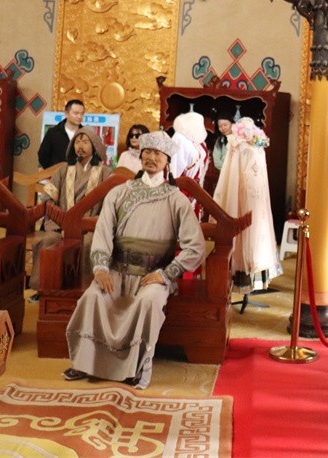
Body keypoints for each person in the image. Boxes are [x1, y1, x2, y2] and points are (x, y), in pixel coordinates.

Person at [62, 131, 205, 390]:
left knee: (147, 302)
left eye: (157, 154)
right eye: (147, 152)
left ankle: (135, 368)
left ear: (167, 160)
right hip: (117, 269)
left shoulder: (177, 200)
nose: (151, 158)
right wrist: (101, 268)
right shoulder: (119, 193)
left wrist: (167, 274)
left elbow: (195, 246)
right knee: (93, 297)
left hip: (153, 275)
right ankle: (84, 363)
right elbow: (103, 232)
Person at [29, 127, 109, 297]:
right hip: (60, 225)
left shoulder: (105, 173)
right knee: (48, 241)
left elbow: (110, 205)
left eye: (85, 142)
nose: (80, 146)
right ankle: (43, 288)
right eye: (77, 142)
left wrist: (91, 223)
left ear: (94, 146)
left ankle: (86, 289)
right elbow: (48, 197)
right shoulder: (63, 171)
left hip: (90, 227)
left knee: (88, 244)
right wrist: (59, 219)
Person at [212, 117, 282, 294]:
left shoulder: (258, 142)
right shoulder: (235, 142)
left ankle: (254, 275)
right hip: (241, 189)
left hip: (258, 192)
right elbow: (230, 170)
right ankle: (239, 277)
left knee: (258, 230)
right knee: (242, 229)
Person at [38, 99, 85, 169]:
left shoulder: (86, 133)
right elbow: (43, 155)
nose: (79, 116)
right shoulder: (53, 133)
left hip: (80, 174)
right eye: (76, 113)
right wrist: (54, 170)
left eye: (82, 114)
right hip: (57, 174)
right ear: (66, 113)